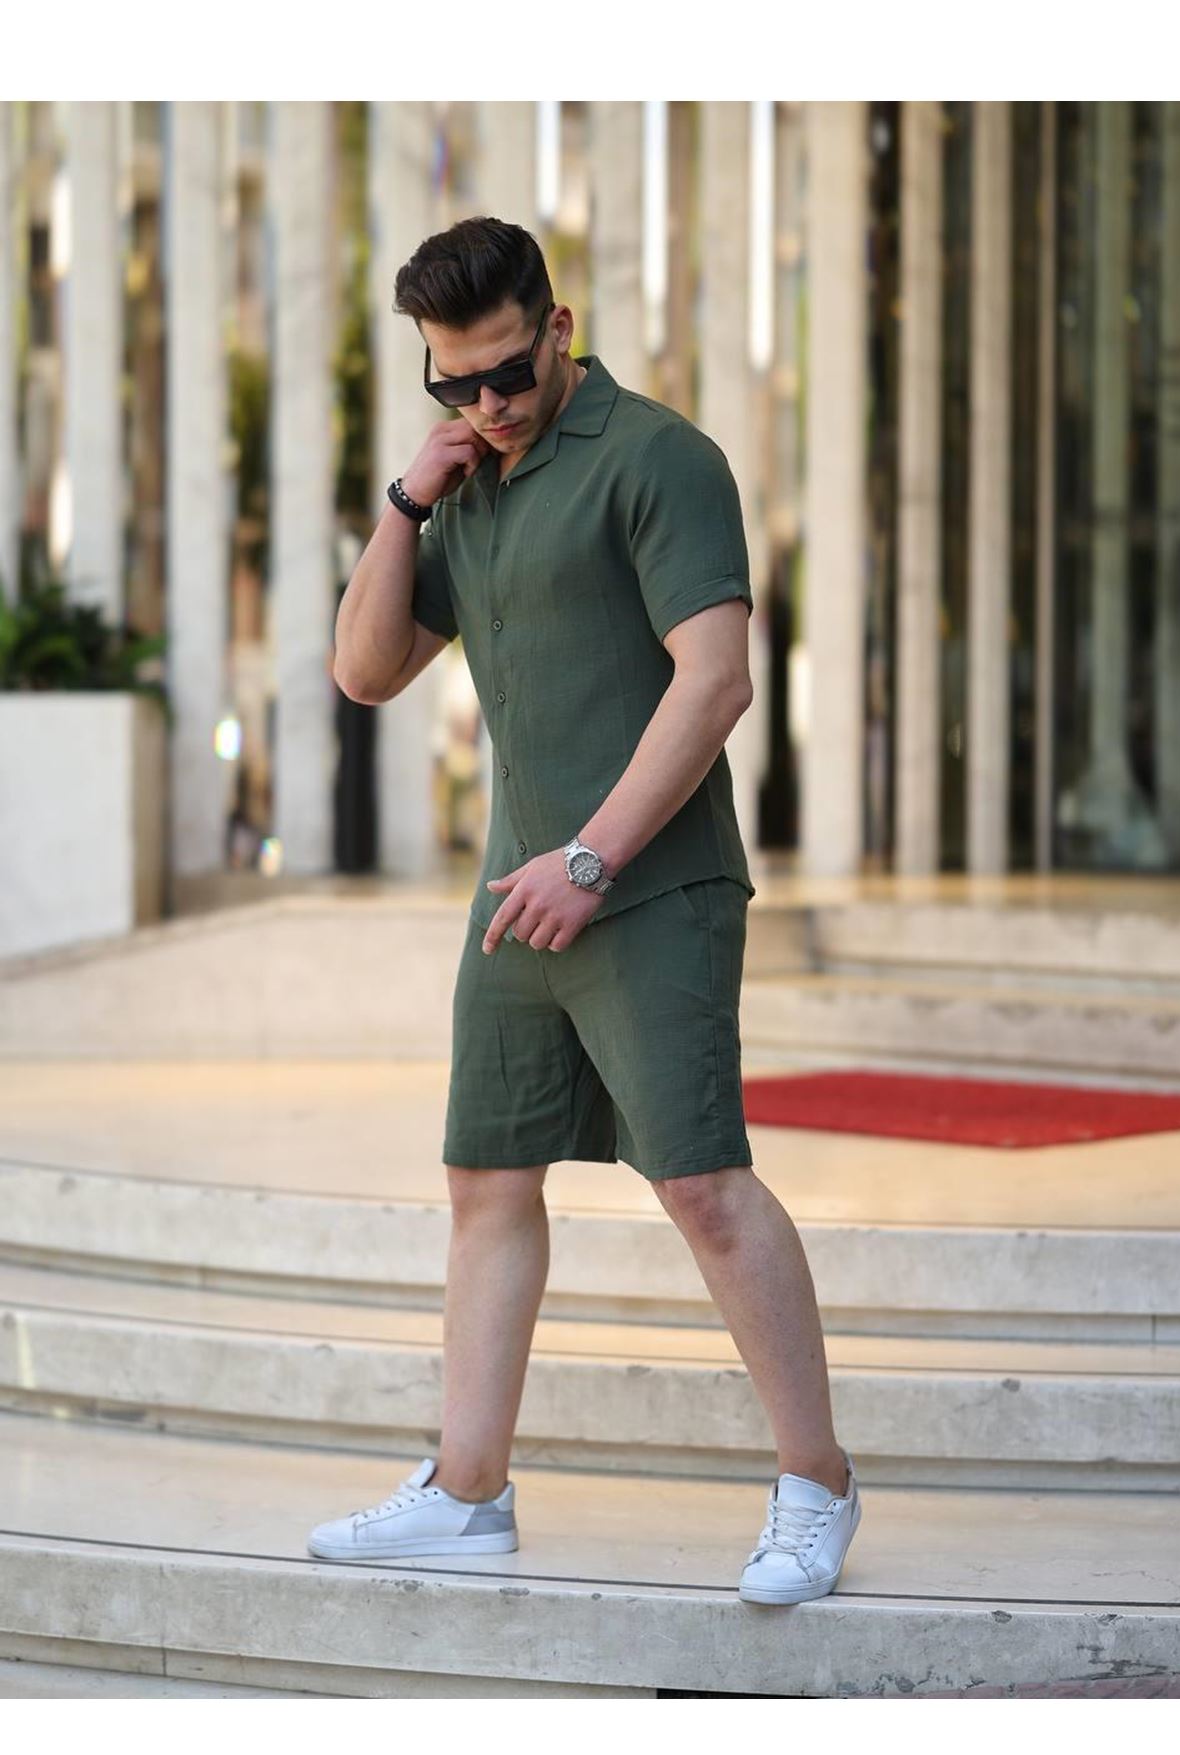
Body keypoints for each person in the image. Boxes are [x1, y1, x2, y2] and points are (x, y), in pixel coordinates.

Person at [309, 217, 861, 1606]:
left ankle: (819, 1486)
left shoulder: (658, 459)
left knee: (703, 1185)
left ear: (558, 329)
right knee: (488, 1182)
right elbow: (365, 672)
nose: (486, 404)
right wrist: (405, 502)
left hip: (649, 885)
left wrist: (595, 862)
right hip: (520, 894)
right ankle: (467, 1493)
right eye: (453, 384)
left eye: (504, 372)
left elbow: (717, 681)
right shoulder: (471, 485)